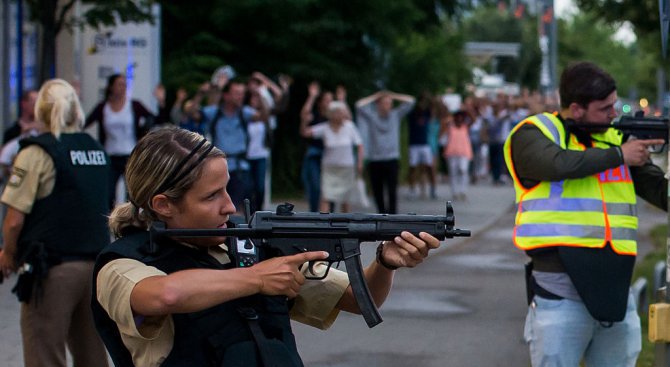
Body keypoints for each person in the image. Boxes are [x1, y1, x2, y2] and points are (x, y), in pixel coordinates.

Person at [91, 126, 441, 366]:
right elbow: (164, 295)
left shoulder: (250, 248)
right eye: (211, 196)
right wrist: (257, 279)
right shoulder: (122, 264)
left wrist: (385, 262)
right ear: (163, 205)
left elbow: (358, 298)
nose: (229, 206)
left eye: (227, 189)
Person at [504, 61, 667, 366]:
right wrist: (620, 155)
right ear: (577, 109)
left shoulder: (615, 138)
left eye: (614, 105)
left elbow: (661, 192)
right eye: (605, 108)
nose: (614, 114)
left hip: (616, 287)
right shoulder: (534, 133)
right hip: (558, 286)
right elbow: (557, 164)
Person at [0, 79, 110, 367]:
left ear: (41, 111)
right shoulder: (96, 150)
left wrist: (8, 255)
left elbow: (14, 220)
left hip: (53, 270)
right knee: (93, 355)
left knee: (44, 352)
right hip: (97, 268)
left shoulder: (37, 152)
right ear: (76, 110)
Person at [85, 73, 169, 207]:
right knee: (109, 193)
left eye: (125, 84)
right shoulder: (103, 107)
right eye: (120, 84)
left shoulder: (134, 105)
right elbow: (84, 123)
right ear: (111, 87)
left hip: (130, 155)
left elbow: (158, 120)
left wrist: (161, 102)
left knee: (131, 194)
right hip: (110, 156)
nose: (123, 87)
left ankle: (130, 223)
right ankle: (110, 223)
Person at [356, 90, 415, 214]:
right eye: (385, 103)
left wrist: (392, 95)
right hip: (375, 160)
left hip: (392, 159)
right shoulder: (372, 116)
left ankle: (393, 216)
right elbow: (359, 105)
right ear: (379, 104)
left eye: (389, 103)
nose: (387, 106)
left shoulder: (395, 115)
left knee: (392, 191)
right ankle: (381, 214)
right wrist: (376, 96)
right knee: (378, 191)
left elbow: (411, 101)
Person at [301, 101, 364, 213]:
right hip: (329, 169)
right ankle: (324, 226)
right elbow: (305, 133)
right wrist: (304, 121)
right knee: (326, 197)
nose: (341, 115)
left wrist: (359, 162)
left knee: (345, 200)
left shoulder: (349, 126)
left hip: (346, 169)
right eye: (338, 112)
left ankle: (346, 226)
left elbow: (359, 144)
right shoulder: (324, 128)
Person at [300, 82, 333, 212]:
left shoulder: (334, 117)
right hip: (315, 154)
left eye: (331, 100)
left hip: (331, 155)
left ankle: (329, 214)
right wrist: (312, 96)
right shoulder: (314, 115)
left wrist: (342, 101)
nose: (329, 103)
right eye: (326, 100)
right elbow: (304, 116)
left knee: (330, 189)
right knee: (315, 186)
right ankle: (314, 213)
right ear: (320, 102)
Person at [406, 92, 436, 199]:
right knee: (413, 167)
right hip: (414, 144)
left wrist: (428, 97)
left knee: (429, 167)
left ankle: (433, 189)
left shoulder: (426, 114)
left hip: (424, 144)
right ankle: (412, 188)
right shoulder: (412, 114)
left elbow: (433, 106)